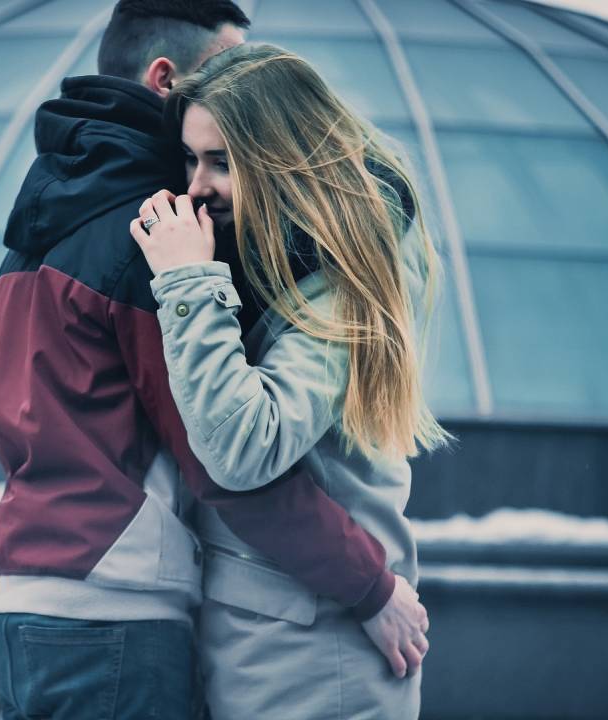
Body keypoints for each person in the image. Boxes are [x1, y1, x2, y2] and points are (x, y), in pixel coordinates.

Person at [0, 2, 429, 717]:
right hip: (118, 605)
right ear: (165, 80)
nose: (196, 185)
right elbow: (226, 463)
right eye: (223, 65)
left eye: (219, 160)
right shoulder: (153, 237)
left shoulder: (44, 218)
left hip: (27, 596)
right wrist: (371, 588)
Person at [129, 42, 449, 719]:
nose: (197, 186)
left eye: (223, 162)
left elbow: (245, 446)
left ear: (282, 158)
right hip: (275, 645)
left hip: (318, 660)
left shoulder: (341, 278)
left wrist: (187, 282)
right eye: (190, 159)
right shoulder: (268, 259)